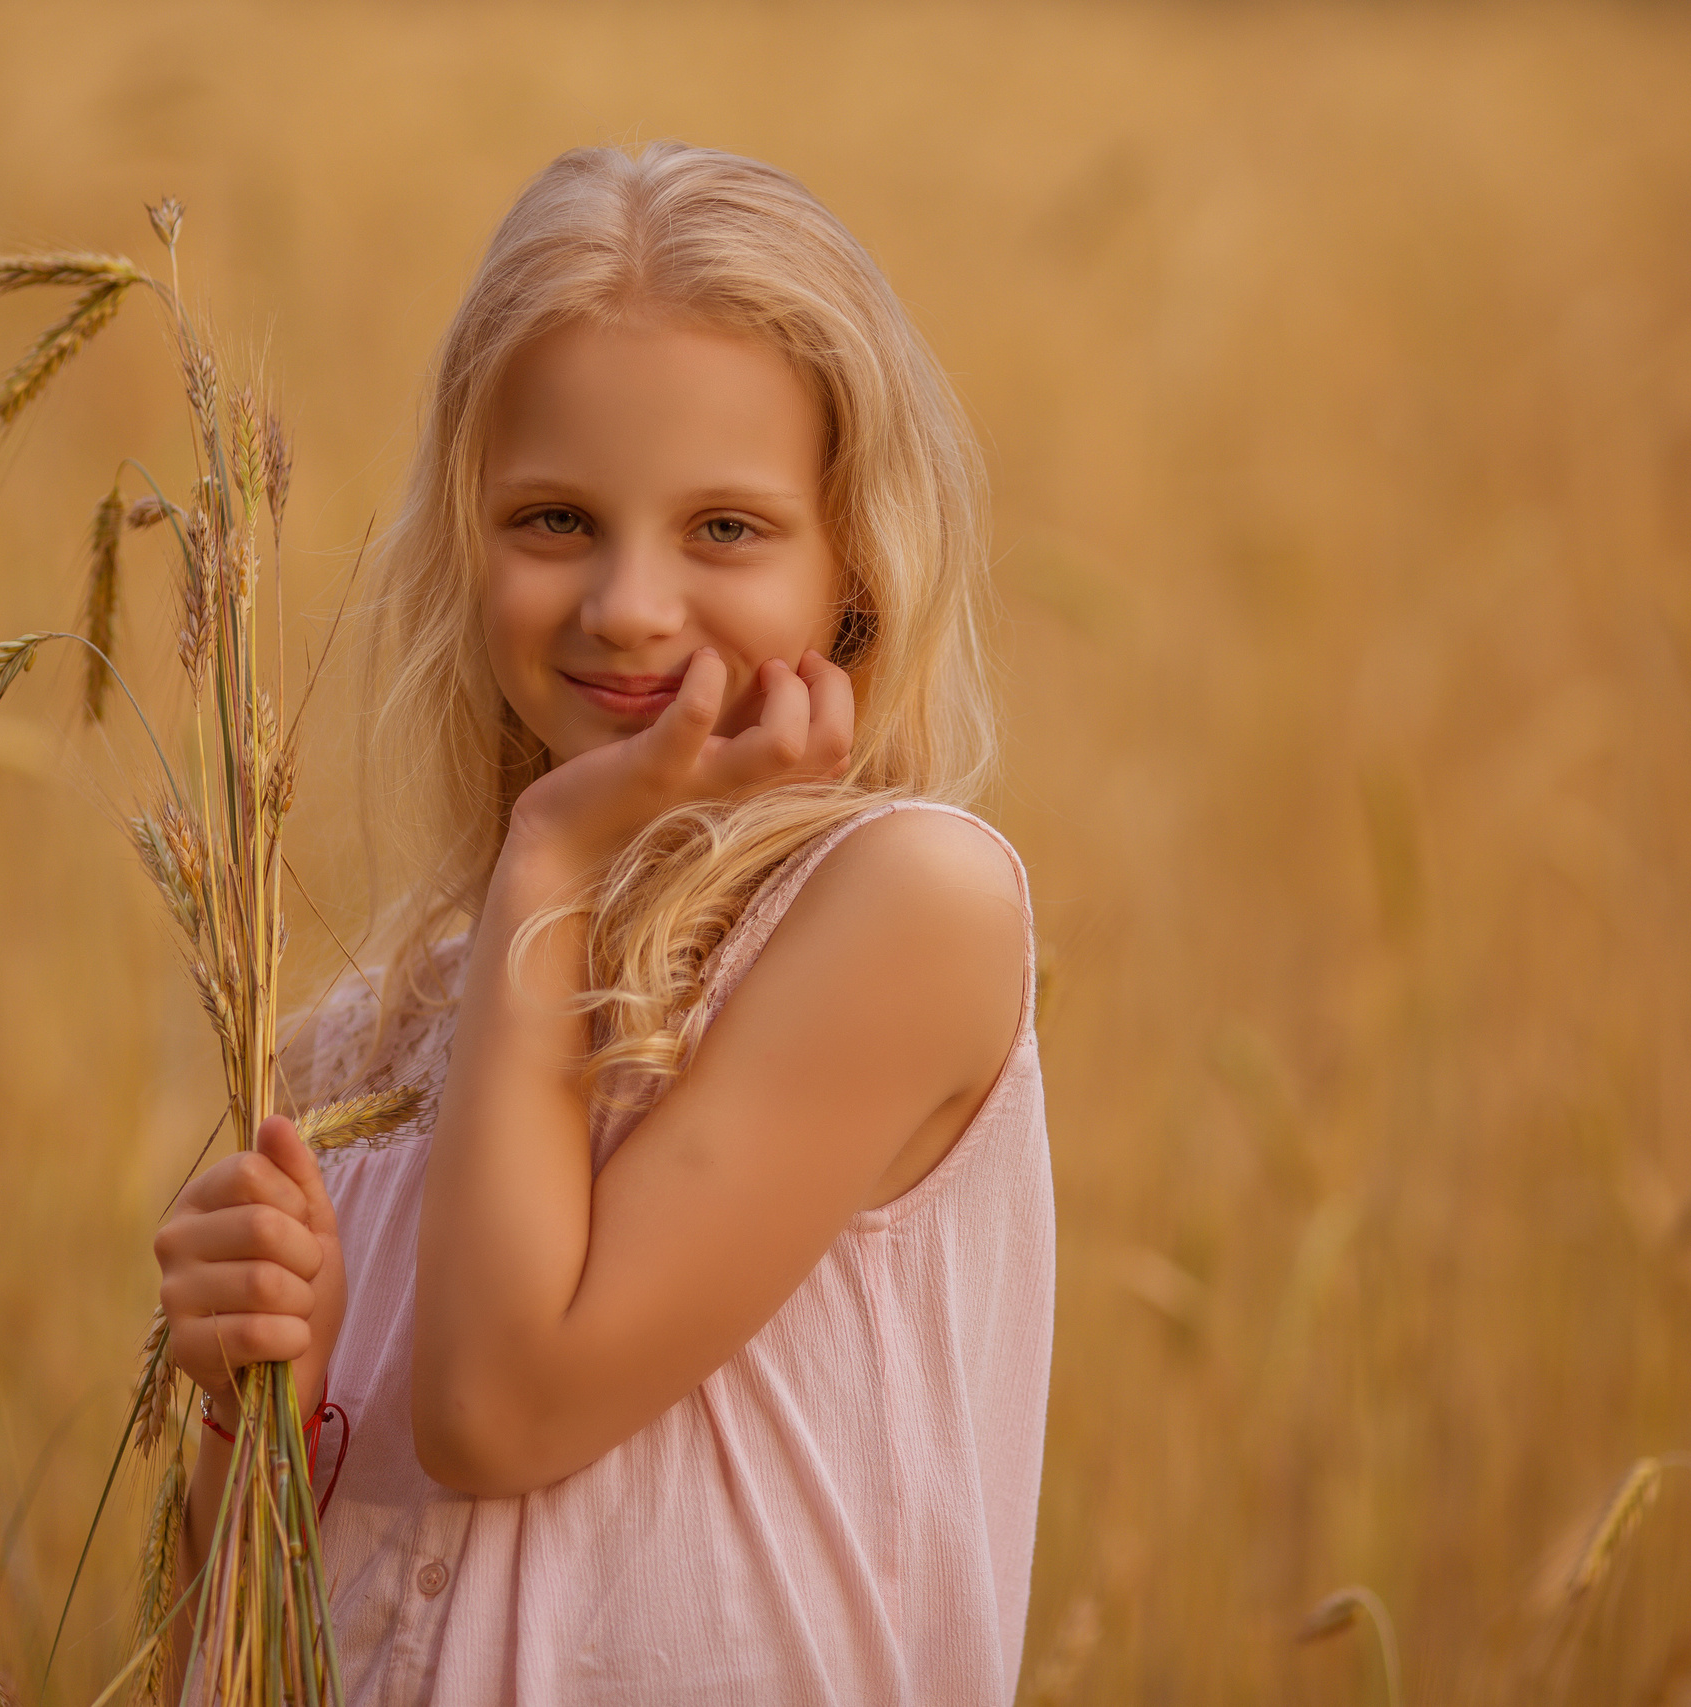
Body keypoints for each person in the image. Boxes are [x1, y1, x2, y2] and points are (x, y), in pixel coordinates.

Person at [153, 141, 1053, 1705]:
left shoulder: (908, 905)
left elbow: (504, 1411)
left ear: (853, 569)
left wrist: (555, 848)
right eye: (556, 519)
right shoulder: (363, 1048)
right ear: (467, 537)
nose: (630, 605)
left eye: (726, 529)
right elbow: (226, 1650)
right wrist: (240, 1402)